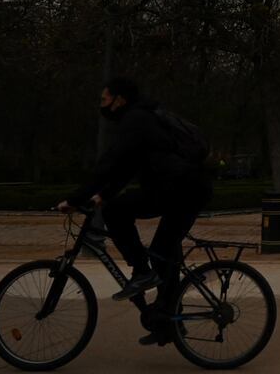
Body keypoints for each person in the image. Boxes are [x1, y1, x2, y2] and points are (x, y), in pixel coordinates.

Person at [56, 76, 212, 346]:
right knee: (164, 252)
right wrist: (101, 195)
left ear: (120, 100)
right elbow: (125, 168)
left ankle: (141, 273)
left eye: (104, 100)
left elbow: (110, 163)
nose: (101, 105)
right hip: (179, 189)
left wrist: (75, 198)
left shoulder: (135, 120)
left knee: (118, 213)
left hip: (182, 190)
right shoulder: (141, 120)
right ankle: (166, 320)